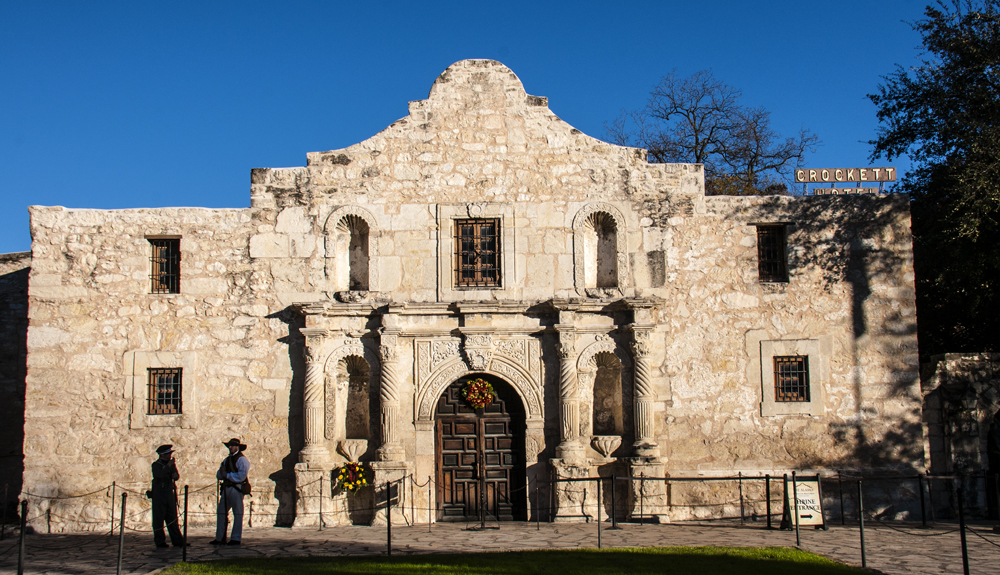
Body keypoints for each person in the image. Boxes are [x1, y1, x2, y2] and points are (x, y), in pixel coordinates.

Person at [211, 438, 250, 546]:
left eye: (232, 446)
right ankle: (220, 537)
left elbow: (241, 476)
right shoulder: (226, 460)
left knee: (237, 513)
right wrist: (222, 474)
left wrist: (227, 475)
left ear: (237, 447)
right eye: (229, 446)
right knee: (221, 512)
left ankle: (235, 538)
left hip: (236, 488)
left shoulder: (242, 460)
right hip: (227, 488)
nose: (230, 447)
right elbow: (219, 474)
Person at [150, 444, 184, 548]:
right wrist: (168, 466)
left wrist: (175, 476)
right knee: (159, 518)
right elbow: (159, 475)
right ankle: (160, 541)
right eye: (168, 454)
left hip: (169, 492)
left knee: (172, 517)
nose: (170, 456)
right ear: (162, 455)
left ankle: (177, 540)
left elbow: (176, 475)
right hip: (159, 494)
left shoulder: (171, 465)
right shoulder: (156, 465)